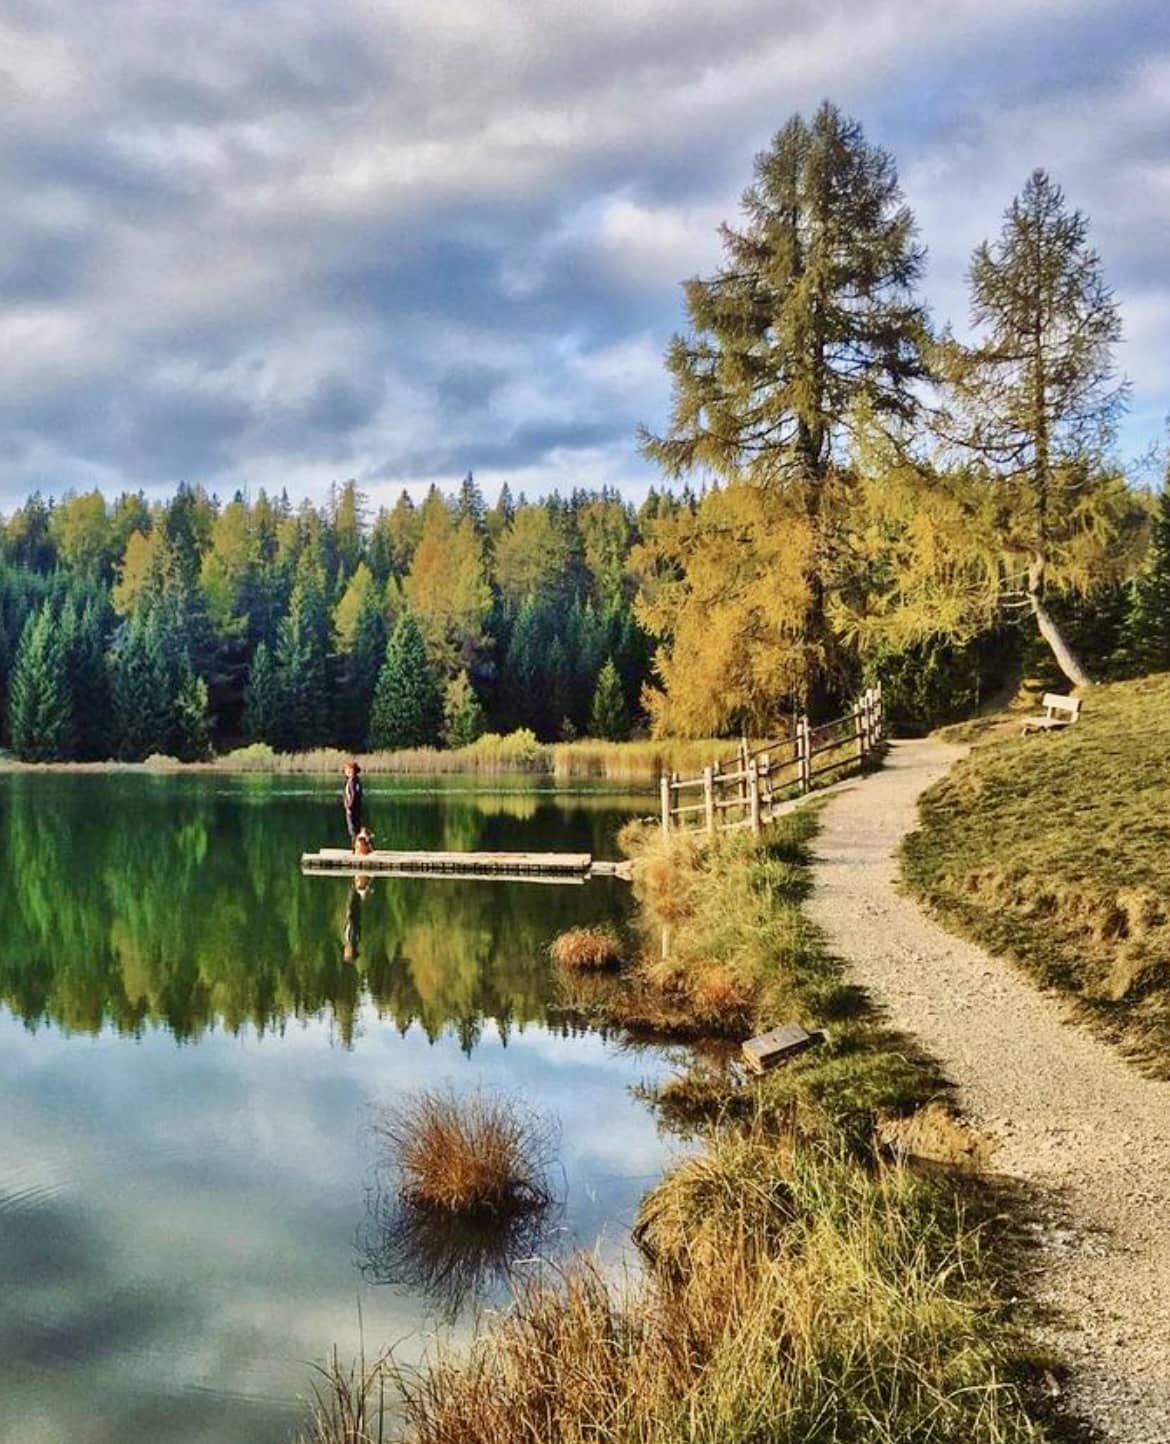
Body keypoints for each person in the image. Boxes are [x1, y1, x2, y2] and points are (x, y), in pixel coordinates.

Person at [342, 761, 363, 843]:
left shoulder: (352, 781)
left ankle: (355, 847)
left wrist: (349, 807)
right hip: (357, 808)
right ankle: (357, 846)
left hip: (352, 808)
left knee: (352, 829)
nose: (345, 772)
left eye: (347, 770)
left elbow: (353, 795)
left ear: (352, 771)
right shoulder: (356, 780)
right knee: (356, 827)